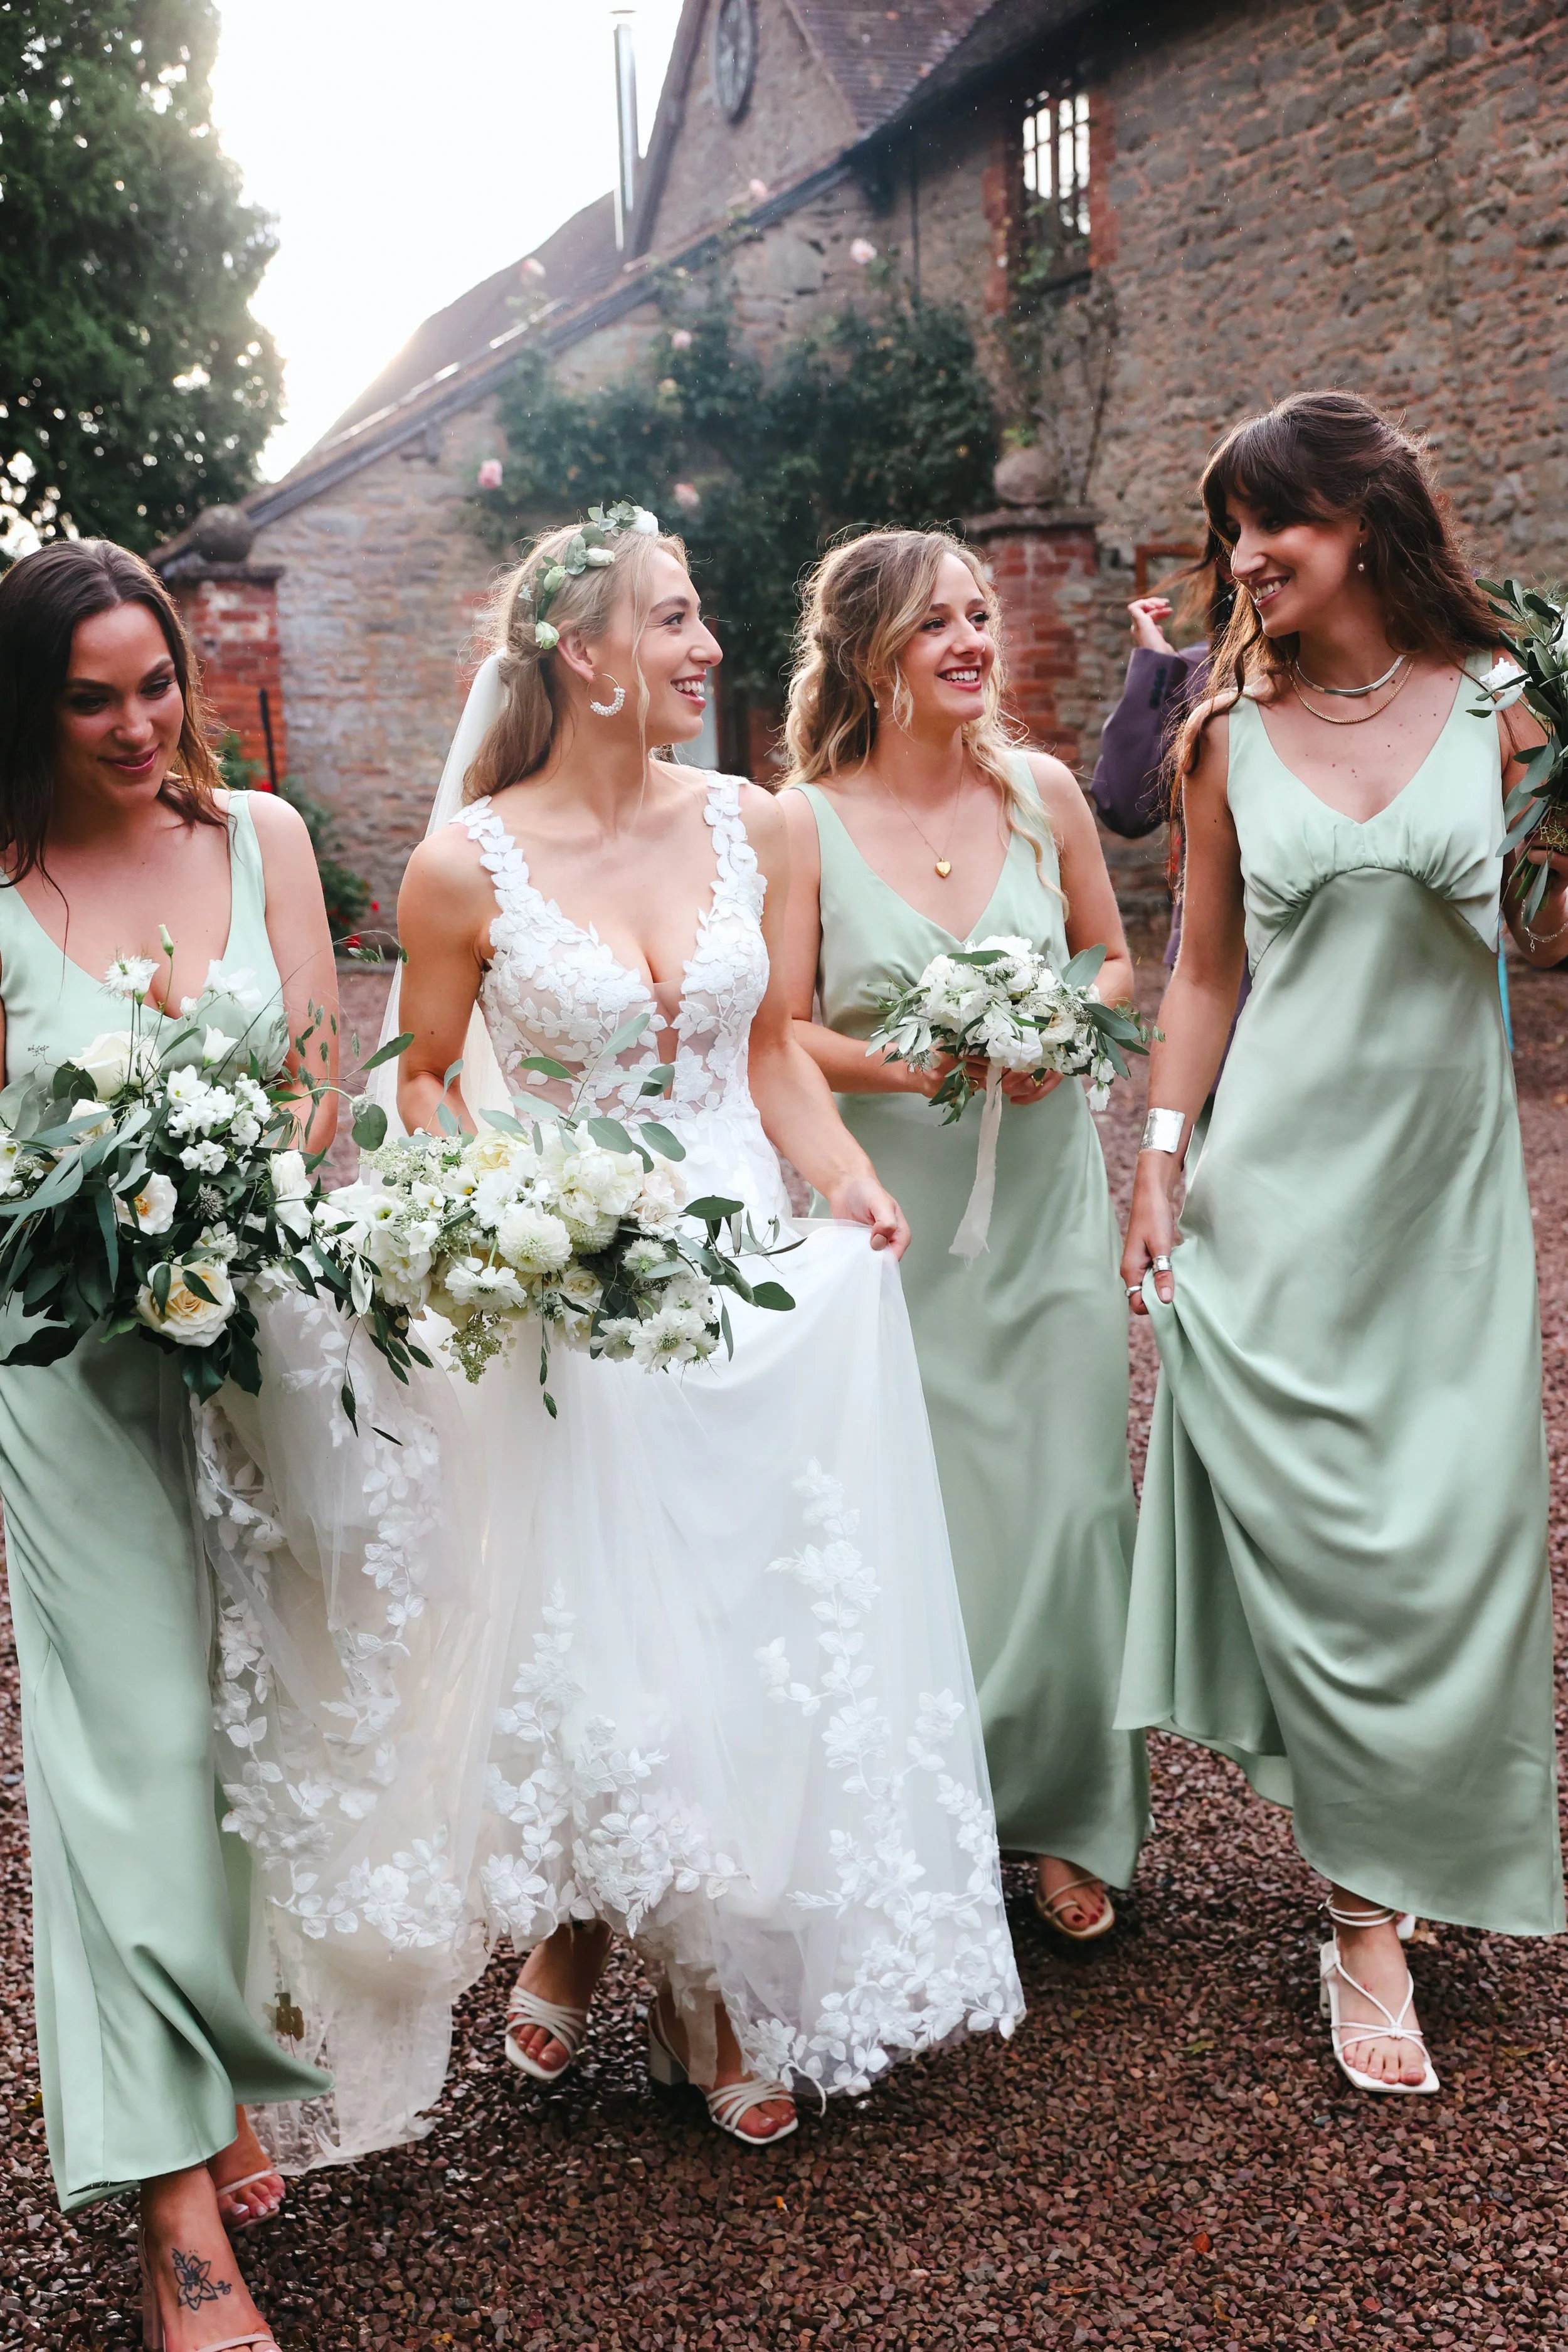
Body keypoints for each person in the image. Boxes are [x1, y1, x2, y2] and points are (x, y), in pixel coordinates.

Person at [392, 506, 1024, 2147]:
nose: (707, 648)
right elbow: (418, 1077)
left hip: (758, 1266)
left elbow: (768, 1055)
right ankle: (692, 1979)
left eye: (704, 614)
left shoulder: (756, 823)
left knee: (758, 1618)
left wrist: (846, 1179)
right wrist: (506, 1210)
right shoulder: (467, 865)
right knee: (633, 1633)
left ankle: (660, 1944)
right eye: (673, 621)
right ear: (582, 655)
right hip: (588, 1288)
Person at [1120, 391, 1565, 2098]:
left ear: (1361, 518)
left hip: (1442, 1203)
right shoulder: (1225, 730)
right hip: (1278, 1200)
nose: (1241, 557)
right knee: (1322, 1544)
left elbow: (1544, 921)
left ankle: (1417, 1840)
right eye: (1229, 526)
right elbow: (1204, 969)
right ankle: (1362, 1913)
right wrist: (1159, 1162)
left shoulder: (1513, 715)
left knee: (1456, 1537)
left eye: (1268, 522)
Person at [0, 541, 336, 2349]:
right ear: (28, 705)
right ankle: (177, 2216)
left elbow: (311, 1075)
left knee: (246, 1722)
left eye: (156, 684)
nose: (139, 725)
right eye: (90, 695)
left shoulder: (262, 836)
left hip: (246, 1335)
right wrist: (101, 1213)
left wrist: (225, 1194)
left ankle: (207, 2055)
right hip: (60, 1362)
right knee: (127, 1730)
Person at [777, 527, 1148, 1942]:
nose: (971, 642)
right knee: (917, 1519)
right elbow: (780, 1028)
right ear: (871, 653)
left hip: (1042, 1199)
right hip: (895, 1219)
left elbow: (1114, 956)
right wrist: (919, 1057)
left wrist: (1062, 1024)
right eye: (936, 623)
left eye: (980, 616)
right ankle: (931, 1814)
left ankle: (1065, 1812)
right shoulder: (801, 821)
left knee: (1064, 1510)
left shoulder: (1041, 791)